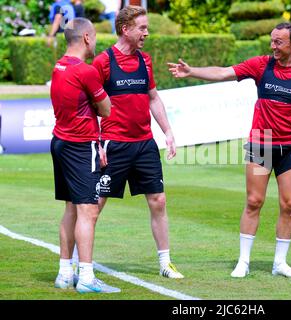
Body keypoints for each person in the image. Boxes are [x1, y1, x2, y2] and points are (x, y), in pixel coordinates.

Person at [168, 22, 291, 278]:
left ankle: (279, 264)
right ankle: (243, 262)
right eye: (272, 40)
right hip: (261, 140)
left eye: (279, 42)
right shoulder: (261, 64)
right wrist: (191, 72)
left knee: (289, 204)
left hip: (289, 144)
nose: (273, 46)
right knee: (254, 201)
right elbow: (223, 72)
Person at [92, 5, 184, 279]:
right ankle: (78, 263)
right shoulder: (103, 62)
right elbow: (90, 105)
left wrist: (167, 131)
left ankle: (165, 263)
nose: (147, 32)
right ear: (125, 29)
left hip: (145, 144)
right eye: (142, 28)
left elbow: (153, 98)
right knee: (94, 206)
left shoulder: (145, 61)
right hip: (114, 145)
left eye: (146, 27)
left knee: (159, 200)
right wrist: (97, 141)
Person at [50, 17, 120, 293]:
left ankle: (65, 274)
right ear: (87, 38)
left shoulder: (58, 66)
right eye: (94, 36)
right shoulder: (86, 71)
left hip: (61, 141)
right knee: (88, 210)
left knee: (70, 208)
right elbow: (106, 109)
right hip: (81, 145)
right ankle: (87, 278)